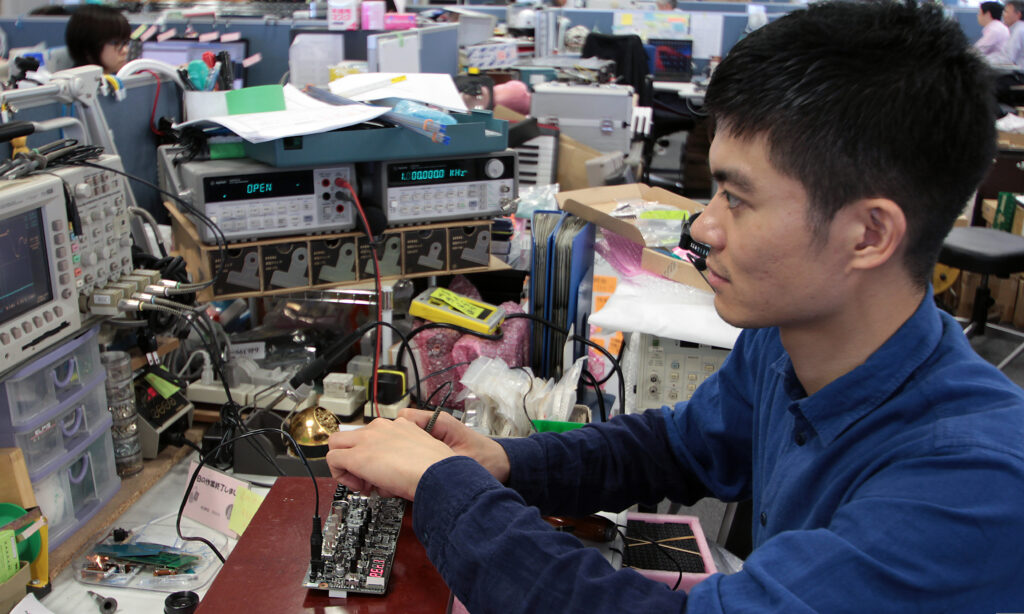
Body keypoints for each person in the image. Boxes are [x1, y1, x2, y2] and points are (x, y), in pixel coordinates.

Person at [326, 2, 1024, 612]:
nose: (701, 228)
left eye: (738, 198)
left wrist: (447, 491)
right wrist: (506, 463)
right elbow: (676, 445)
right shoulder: (788, 340)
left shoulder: (969, 485)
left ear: (868, 235)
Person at [64, 4, 131, 74]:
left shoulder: (111, 81)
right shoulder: (80, 83)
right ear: (89, 46)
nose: (125, 51)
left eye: (126, 42)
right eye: (116, 43)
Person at [977, 1, 1013, 65]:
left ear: (987, 14)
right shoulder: (998, 27)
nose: (977, 16)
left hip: (997, 67)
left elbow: (978, 50)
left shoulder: (995, 30)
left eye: (979, 13)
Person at [1005, 0, 1024, 69]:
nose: (1003, 15)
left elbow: (1008, 59)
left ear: (1018, 14)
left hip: (1019, 75)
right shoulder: (1019, 28)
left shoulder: (1018, 31)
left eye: (1006, 12)